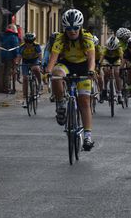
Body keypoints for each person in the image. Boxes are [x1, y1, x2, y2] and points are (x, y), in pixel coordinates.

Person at [46, 8, 96, 150]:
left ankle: (87, 136)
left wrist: (91, 70)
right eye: (69, 29)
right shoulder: (60, 38)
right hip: (67, 64)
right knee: (56, 74)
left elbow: (92, 58)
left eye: (75, 28)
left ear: (80, 27)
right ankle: (61, 103)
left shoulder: (87, 37)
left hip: (83, 66)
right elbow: (53, 58)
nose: (72, 31)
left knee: (84, 101)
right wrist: (48, 71)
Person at [18, 32, 42, 108]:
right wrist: (17, 64)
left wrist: (41, 62)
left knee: (36, 68)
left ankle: (39, 82)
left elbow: (40, 55)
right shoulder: (22, 47)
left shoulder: (37, 46)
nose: (28, 44)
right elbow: (19, 56)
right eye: (27, 42)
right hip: (25, 61)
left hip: (34, 61)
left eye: (30, 42)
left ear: (33, 41)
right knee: (25, 78)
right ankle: (25, 98)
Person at [99, 34, 123, 104]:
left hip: (116, 59)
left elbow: (122, 58)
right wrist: (99, 64)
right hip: (107, 59)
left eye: (113, 50)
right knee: (106, 71)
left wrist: (122, 66)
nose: (111, 51)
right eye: (110, 50)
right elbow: (102, 58)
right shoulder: (105, 48)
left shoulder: (119, 48)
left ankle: (119, 94)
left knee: (117, 73)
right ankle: (105, 89)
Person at [0, 24, 21, 93]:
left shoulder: (4, 36)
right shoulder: (13, 37)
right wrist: (16, 57)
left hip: (4, 55)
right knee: (11, 72)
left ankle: (5, 87)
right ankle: (10, 88)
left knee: (5, 72)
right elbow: (16, 48)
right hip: (11, 56)